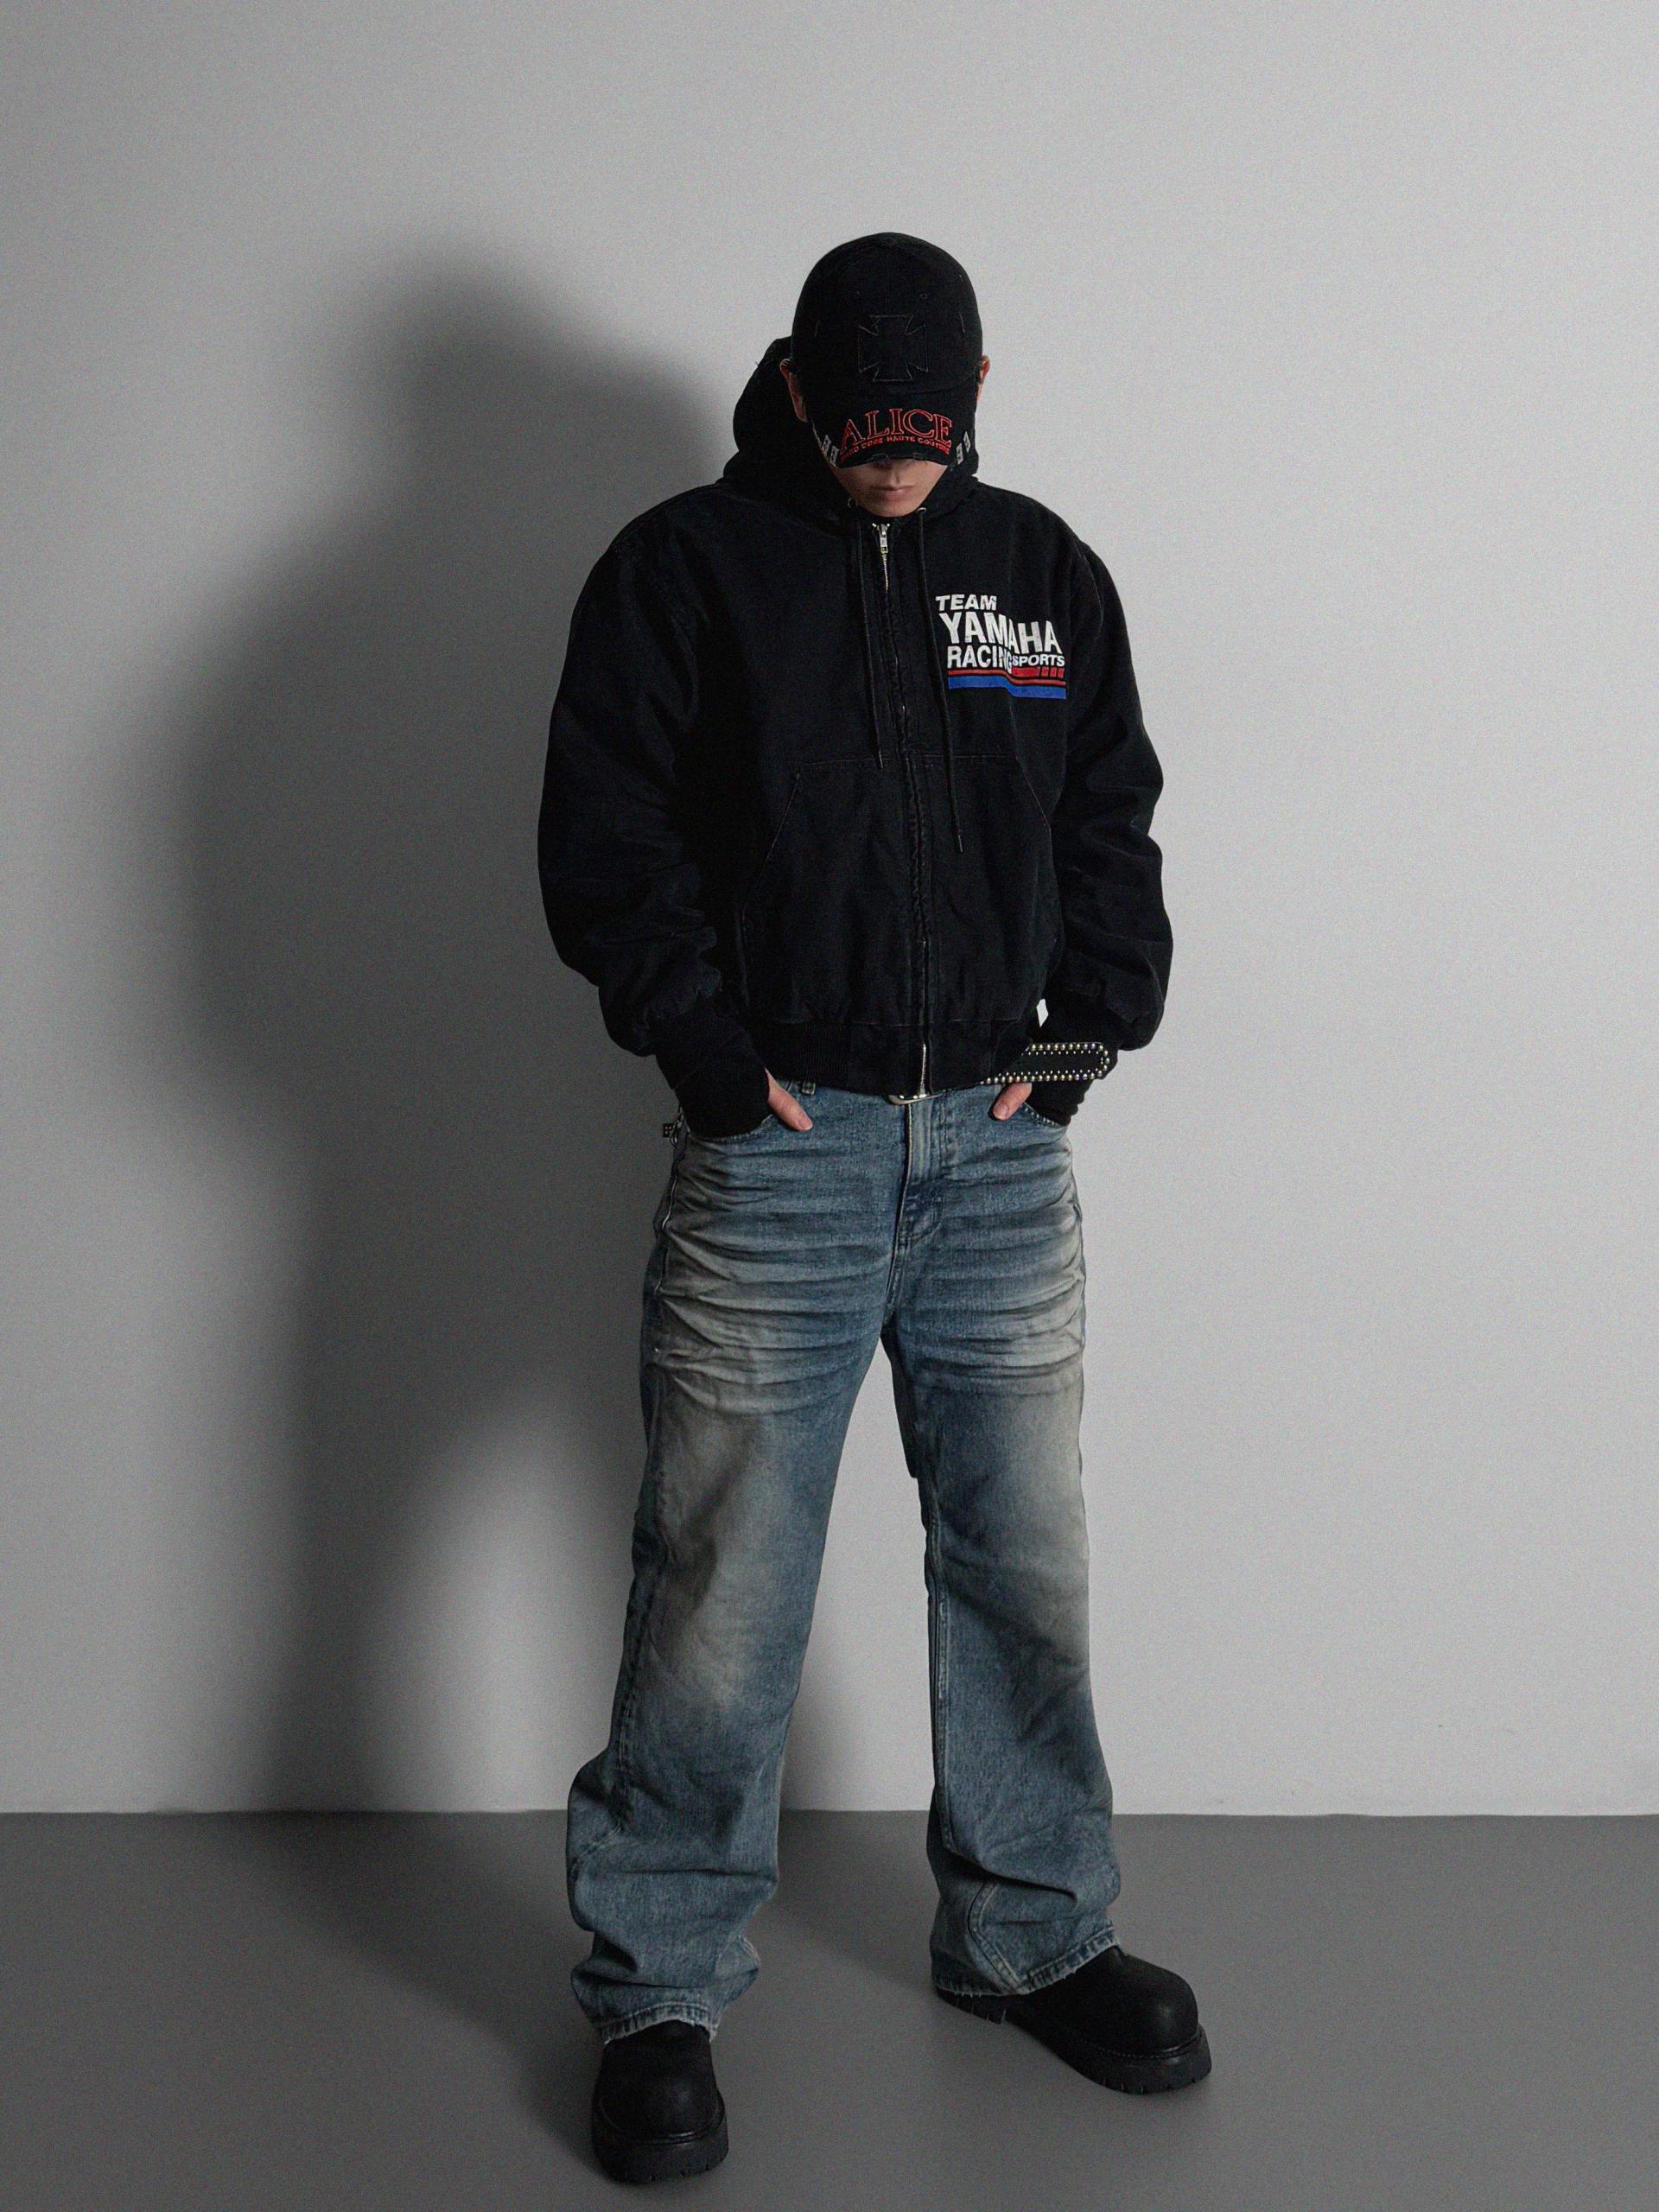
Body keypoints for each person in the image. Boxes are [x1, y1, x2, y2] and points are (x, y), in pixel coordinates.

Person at [537, 232, 1202, 2185]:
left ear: (978, 392)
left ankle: (1030, 1932)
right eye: (862, 438)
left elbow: (1109, 812)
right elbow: (607, 832)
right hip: (780, 1151)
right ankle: (659, 1986)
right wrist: (705, 1049)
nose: (895, 470)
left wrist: (1087, 1030)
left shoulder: (1041, 573)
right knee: (722, 1583)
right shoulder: (683, 570)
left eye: (927, 438)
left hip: (998, 1155)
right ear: (798, 390)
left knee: (1024, 1557)